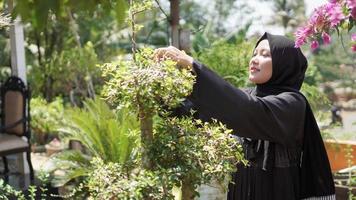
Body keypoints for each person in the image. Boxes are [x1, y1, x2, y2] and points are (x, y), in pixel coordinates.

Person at [154, 32, 335, 200]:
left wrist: (194, 65)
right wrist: (159, 87)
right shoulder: (246, 96)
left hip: (278, 192)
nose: (255, 60)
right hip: (240, 191)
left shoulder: (293, 103)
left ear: (284, 64)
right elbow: (196, 115)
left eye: (265, 55)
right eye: (255, 54)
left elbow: (248, 110)